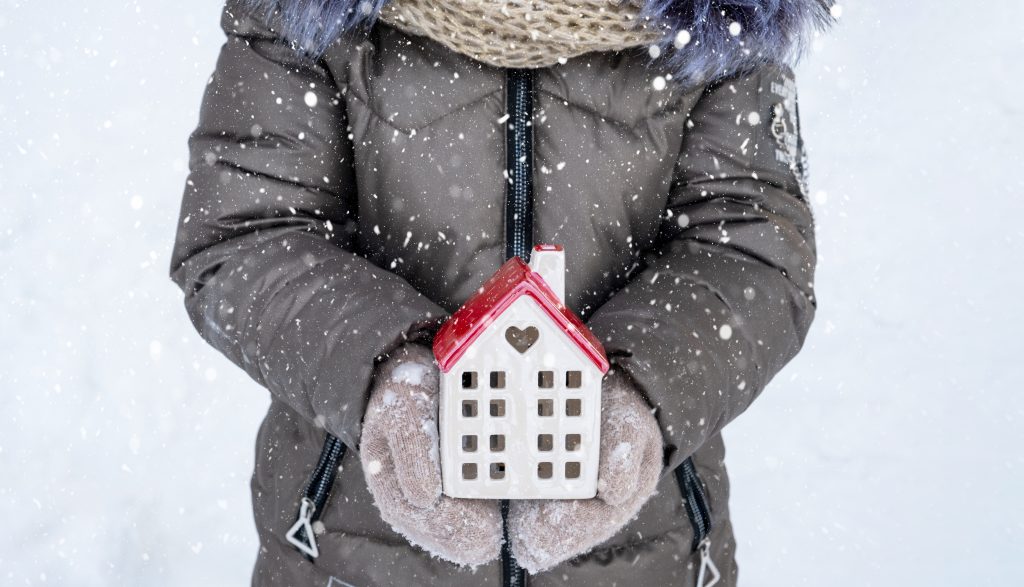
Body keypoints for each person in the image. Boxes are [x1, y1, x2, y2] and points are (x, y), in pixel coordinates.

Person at [169, 0, 832, 584]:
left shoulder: (722, 15)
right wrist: (385, 376)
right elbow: (245, 229)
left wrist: (645, 394)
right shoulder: (308, 12)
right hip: (354, 547)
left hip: (641, 554)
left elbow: (753, 247)